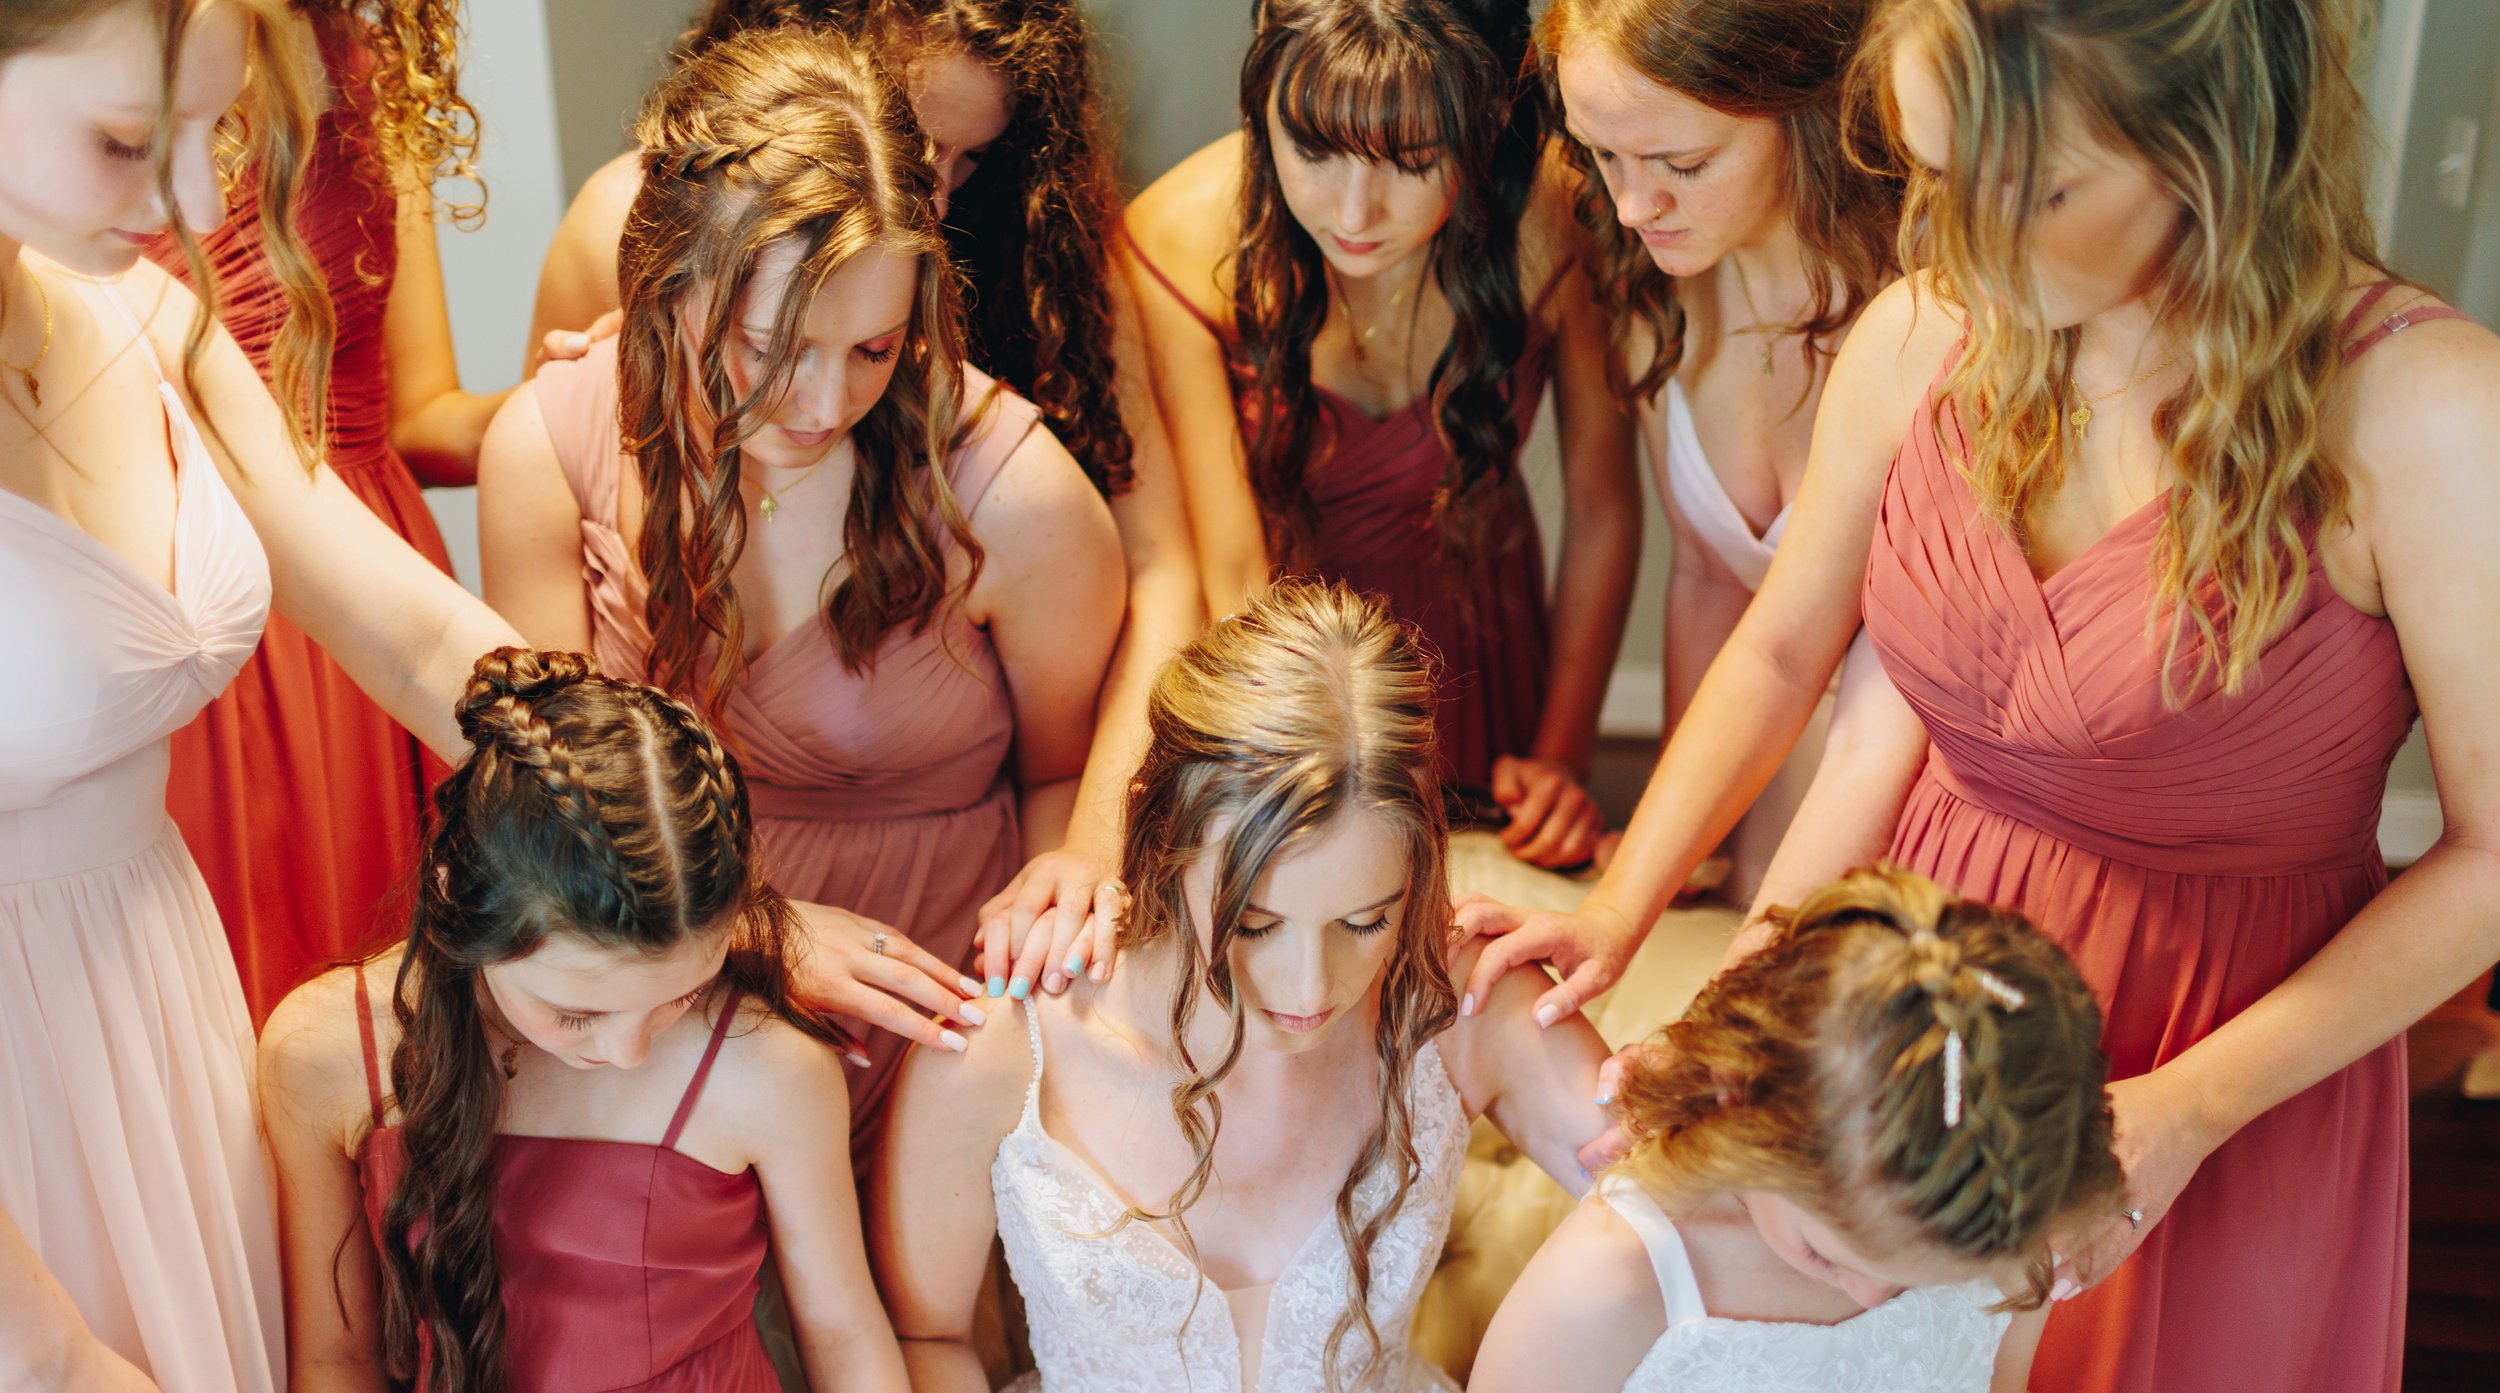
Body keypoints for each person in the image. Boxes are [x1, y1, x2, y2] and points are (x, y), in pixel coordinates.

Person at [1464, 2, 2500, 1393]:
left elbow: (2492, 857)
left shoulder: (2425, 412)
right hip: (1904, 1002)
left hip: (2222, 1044)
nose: (1956, 241)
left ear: (2205, 148)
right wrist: (1631, 901)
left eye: (2026, 189)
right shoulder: (1932, 327)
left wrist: (2183, 1112)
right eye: (1935, 177)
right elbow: (1795, 646)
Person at [0, 3, 527, 1393]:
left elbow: (420, 643)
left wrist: (677, 835)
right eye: (118, 140)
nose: (174, 199)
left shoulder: (140, 312)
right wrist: (40, 1368)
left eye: (207, 138)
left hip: (164, 1025)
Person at [865, 584, 1610, 1393]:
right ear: (1161, 842)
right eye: (1255, 921)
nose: (1310, 984)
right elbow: (925, 1337)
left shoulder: (1461, 1002)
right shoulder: (1004, 1045)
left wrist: (1624, 976)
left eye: (1366, 919)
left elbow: (1687, 1188)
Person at [480, 22, 1125, 1154]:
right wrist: (750, 933)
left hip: (940, 1008)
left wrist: (1016, 1002)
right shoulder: (548, 445)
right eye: (772, 347)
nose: (824, 402)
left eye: (875, 349)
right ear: (671, 279)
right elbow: (552, 810)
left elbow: (1061, 772)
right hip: (654, 977)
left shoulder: (1015, 496)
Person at [263, 649, 958, 1393]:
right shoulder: (329, 1058)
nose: (628, 1048)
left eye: (679, 993)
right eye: (576, 1009)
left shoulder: (765, 1071)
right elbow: (335, 1359)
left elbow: (845, 1331)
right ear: (468, 906)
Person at [531, 0, 1206, 980]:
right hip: (650, 933)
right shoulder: (625, 243)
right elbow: (558, 466)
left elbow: (1162, 568)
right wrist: (593, 384)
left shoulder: (1016, 422)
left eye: (966, 159)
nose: (929, 186)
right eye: (913, 139)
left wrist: (1091, 844)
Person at [1439, 866, 2113, 1393]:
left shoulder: (1993, 1235)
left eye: (1911, 1281)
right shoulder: (1622, 1272)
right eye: (1824, 1252)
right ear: (1741, 1100)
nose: (1873, 1295)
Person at [1125, 0, 1642, 870]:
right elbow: (1230, 570)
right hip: (1283, 662)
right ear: (1264, 109)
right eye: (1314, 150)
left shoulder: (1553, 210)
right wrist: (1284, 771)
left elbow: (1605, 507)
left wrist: (1560, 754)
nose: (1355, 211)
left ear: (1481, 124)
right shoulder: (1174, 242)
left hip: (1482, 637)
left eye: (1411, 160)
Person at [148, 0, 518, 1022]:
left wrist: (582, 399)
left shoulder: (371, 60)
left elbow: (423, 416)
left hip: (365, 584)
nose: (183, 186)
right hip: (195, 604)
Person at [1539, 0, 1897, 901]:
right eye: (1602, 153)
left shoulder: (1925, 294)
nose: (1630, 206)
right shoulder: (1656, 297)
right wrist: (1681, 826)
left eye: (1683, 164)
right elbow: (1706, 573)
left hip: (1913, 806)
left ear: (1800, 107)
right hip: (1760, 783)